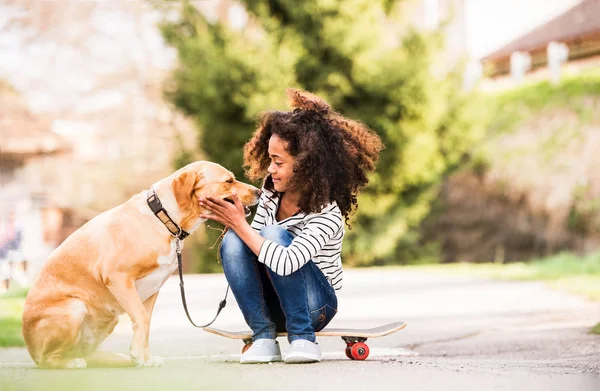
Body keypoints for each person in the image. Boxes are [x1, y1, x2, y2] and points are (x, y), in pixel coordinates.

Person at [199, 89, 383, 364]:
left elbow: (286, 262)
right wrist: (233, 223)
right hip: (274, 303)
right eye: (270, 159)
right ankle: (263, 337)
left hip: (315, 307)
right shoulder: (271, 194)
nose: (270, 169)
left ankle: (303, 339)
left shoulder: (327, 213)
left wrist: (240, 224)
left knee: (272, 234)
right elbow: (253, 245)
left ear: (307, 165)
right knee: (234, 241)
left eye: (278, 162)